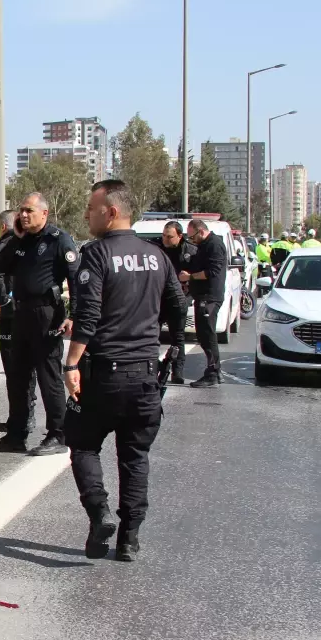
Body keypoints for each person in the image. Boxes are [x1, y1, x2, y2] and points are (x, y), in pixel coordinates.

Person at [64, 180, 187, 562]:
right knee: (135, 457)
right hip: (146, 374)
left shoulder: (97, 254)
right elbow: (179, 306)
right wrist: (161, 337)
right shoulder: (157, 256)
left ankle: (100, 513)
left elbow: (88, 316)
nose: (87, 214)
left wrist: (71, 364)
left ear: (111, 212)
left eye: (92, 208)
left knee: (83, 443)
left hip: (104, 374)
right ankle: (130, 538)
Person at [0, 192, 79, 455]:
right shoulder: (23, 240)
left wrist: (74, 315)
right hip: (21, 314)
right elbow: (1, 267)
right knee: (18, 377)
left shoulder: (59, 240)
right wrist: (16, 238)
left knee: (48, 376)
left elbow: (76, 280)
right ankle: (16, 435)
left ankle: (57, 434)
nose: (24, 215)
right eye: (21, 211)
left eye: (29, 211)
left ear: (44, 213)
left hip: (47, 314)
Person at [0, 209, 37, 435]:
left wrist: (4, 304)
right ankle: (28, 415)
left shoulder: (6, 246)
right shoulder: (30, 244)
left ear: (4, 227)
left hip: (11, 316)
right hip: (29, 314)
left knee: (14, 369)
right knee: (28, 368)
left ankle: (19, 419)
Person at [179, 218, 227, 388]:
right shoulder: (203, 245)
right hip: (202, 295)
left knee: (208, 335)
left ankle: (213, 372)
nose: (191, 241)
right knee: (203, 334)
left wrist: (190, 277)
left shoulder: (214, 245)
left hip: (210, 297)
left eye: (192, 237)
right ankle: (215, 371)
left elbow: (212, 272)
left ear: (201, 231)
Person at [156, 221, 195, 385]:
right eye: (164, 235)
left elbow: (196, 278)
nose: (165, 239)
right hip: (158, 299)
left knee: (177, 337)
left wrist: (188, 296)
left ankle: (177, 372)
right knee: (152, 335)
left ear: (180, 236)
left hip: (178, 300)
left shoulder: (191, 252)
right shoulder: (156, 248)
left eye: (169, 236)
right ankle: (153, 369)